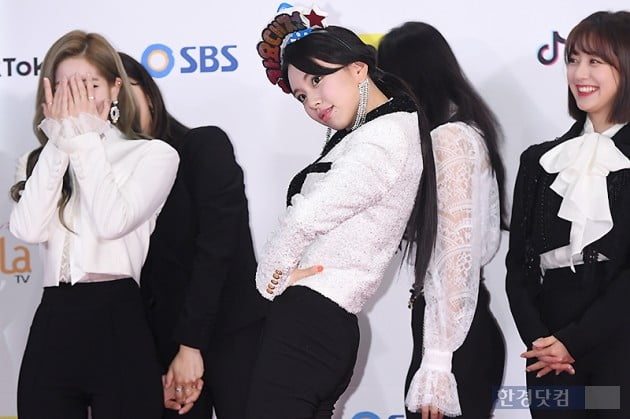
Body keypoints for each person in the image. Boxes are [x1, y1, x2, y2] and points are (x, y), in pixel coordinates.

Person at [246, 5, 438, 418]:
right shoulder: (378, 130)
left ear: (358, 68)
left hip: (310, 321)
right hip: (323, 322)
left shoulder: (383, 137)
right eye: (301, 95)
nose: (312, 101)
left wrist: (268, 282)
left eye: (317, 79)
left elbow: (304, 218)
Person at [9, 30, 179, 419]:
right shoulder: (36, 160)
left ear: (116, 89)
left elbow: (111, 221)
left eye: (90, 86)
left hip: (117, 316)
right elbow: (28, 230)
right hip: (54, 317)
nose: (78, 100)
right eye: (66, 88)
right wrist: (58, 143)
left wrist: (84, 140)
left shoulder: (152, 154)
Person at [119, 53, 269, 418]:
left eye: (122, 93)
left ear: (148, 94)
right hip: (163, 350)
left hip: (231, 334)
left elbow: (217, 250)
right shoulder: (114, 184)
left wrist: (190, 345)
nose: (117, 110)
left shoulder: (202, 146)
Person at [378, 22, 507, 419]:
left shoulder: (450, 140)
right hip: (454, 332)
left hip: (451, 342)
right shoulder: (463, 132)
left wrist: (437, 364)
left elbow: (455, 258)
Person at [506, 10, 630, 418]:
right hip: (549, 352)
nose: (580, 73)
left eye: (595, 61)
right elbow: (518, 268)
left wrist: (574, 341)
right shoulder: (539, 160)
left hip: (618, 339)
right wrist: (541, 342)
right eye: (573, 59)